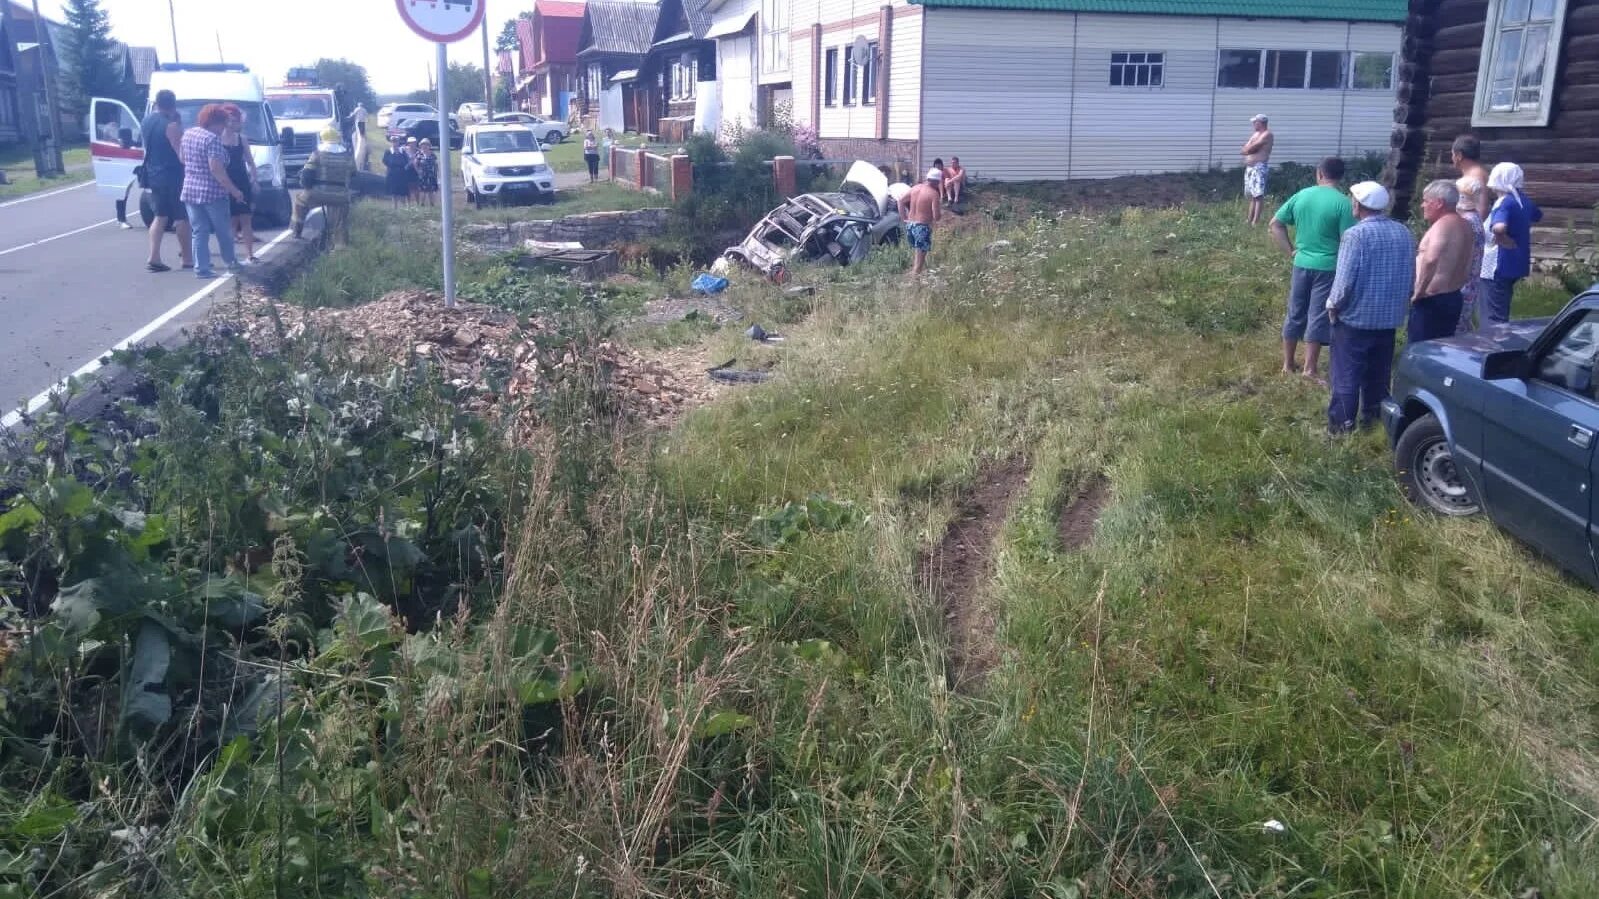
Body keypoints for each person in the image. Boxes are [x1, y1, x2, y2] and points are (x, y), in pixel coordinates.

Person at [1324, 182, 1416, 434]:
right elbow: (1411, 275)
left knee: (1346, 377)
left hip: (1355, 319)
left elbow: (1343, 281)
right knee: (1378, 375)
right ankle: (1375, 422)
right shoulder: (1403, 232)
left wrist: (1332, 305)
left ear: (1358, 205)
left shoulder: (1355, 235)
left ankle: (1341, 427)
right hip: (1388, 318)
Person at [1270, 156, 1355, 381]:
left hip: (1302, 263)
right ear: (1341, 176)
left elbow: (1275, 224)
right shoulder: (1344, 203)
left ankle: (1287, 364)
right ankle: (1310, 368)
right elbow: (1349, 239)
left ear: (1319, 173)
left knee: (1295, 311)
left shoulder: (1302, 195)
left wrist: (1291, 251)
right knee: (1318, 314)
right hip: (1328, 266)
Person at [179, 103, 246, 279]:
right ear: (215, 122)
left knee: (199, 230)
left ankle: (201, 269)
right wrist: (234, 191)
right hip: (213, 192)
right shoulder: (212, 139)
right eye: (223, 124)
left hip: (190, 189)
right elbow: (216, 169)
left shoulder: (188, 133)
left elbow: (182, 158)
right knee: (223, 230)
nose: (224, 128)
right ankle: (231, 263)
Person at [1409, 180, 1475, 344]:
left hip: (1432, 299)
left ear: (1439, 203)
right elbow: (1469, 261)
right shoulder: (1466, 225)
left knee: (1420, 352)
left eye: (1426, 201)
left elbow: (1431, 259)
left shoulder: (1442, 225)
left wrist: (1419, 291)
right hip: (1453, 296)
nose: (1422, 205)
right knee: (1443, 349)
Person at [1478, 162, 1543, 327]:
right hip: (1515, 263)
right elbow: (1537, 215)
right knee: (1502, 307)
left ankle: (1494, 348)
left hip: (1496, 266)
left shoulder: (1504, 202)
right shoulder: (1524, 201)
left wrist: (1503, 238)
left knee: (1493, 317)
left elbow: (1499, 227)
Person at [139, 89, 192, 273]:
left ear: (157, 103)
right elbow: (181, 155)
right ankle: (187, 258)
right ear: (173, 104)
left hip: (154, 174)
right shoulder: (171, 126)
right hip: (173, 175)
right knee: (182, 217)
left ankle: (154, 256)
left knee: (160, 216)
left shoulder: (146, 121)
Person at [291, 127, 354, 243]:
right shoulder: (347, 156)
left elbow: (306, 176)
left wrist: (306, 187)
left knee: (299, 202)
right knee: (340, 222)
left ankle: (297, 231)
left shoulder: (317, 154)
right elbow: (353, 174)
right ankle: (340, 247)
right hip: (340, 196)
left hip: (318, 194)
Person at [221, 104, 257, 263]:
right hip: (224, 183)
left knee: (246, 218)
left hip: (242, 181)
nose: (231, 123)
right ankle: (230, 256)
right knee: (230, 221)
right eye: (228, 120)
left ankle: (250, 254)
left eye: (234, 120)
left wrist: (254, 178)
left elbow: (250, 161)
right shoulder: (216, 138)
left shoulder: (241, 139)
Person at [1454, 173, 1488, 333]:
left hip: (1463, 281)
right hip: (1471, 280)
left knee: (1457, 326)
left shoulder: (1466, 221)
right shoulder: (1474, 218)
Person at [899, 168, 943, 278]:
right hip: (922, 226)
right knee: (920, 260)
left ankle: (914, 276)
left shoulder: (915, 188)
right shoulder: (933, 194)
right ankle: (914, 283)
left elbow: (900, 201)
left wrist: (904, 217)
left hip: (910, 225)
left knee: (917, 253)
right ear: (936, 181)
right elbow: (936, 217)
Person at [1240, 114, 1274, 226]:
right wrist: (1248, 149)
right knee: (1252, 196)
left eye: (1255, 122)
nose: (1253, 124)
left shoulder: (1267, 135)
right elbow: (1244, 149)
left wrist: (1248, 148)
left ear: (1261, 122)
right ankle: (1249, 220)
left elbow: (1252, 148)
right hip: (1250, 168)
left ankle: (1256, 222)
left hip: (1259, 167)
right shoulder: (1255, 134)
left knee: (1258, 195)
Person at [1451, 134, 1490, 219]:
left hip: (1472, 227)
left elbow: (1482, 208)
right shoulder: (1477, 173)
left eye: (1453, 154)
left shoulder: (1475, 176)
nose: (1452, 158)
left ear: (1459, 156)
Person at [383, 135, 411, 208]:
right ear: (391, 142)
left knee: (403, 192)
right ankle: (395, 207)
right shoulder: (388, 151)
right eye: (393, 141)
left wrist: (405, 167)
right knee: (394, 191)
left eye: (396, 141)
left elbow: (407, 160)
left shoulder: (402, 151)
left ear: (399, 142)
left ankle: (404, 207)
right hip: (392, 173)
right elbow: (384, 161)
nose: (395, 143)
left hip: (402, 173)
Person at [414, 138, 439, 207]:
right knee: (423, 191)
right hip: (423, 175)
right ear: (421, 145)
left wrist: (436, 173)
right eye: (423, 144)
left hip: (431, 175)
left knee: (431, 191)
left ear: (429, 146)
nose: (425, 146)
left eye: (426, 144)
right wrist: (418, 171)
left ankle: (432, 205)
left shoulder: (432, 154)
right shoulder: (419, 154)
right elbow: (415, 164)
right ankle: (422, 204)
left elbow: (436, 164)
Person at [348, 102, 370, 172]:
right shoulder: (364, 109)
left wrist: (350, 115)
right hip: (362, 121)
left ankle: (360, 136)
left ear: (359, 105)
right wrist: (367, 119)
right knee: (362, 130)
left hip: (358, 121)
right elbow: (366, 115)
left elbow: (354, 114)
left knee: (358, 129)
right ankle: (362, 136)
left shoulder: (357, 109)